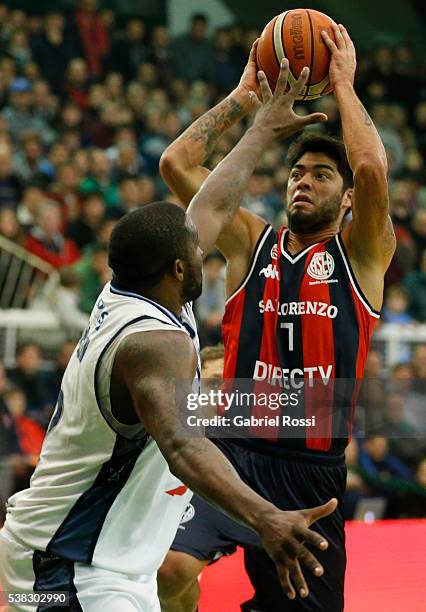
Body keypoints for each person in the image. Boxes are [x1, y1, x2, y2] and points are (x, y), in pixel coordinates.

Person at [158, 24, 395, 612]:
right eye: (297, 173)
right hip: (232, 449)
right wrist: (245, 97)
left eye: (321, 174)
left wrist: (343, 84)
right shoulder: (251, 242)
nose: (304, 181)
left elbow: (371, 172)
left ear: (345, 199)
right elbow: (177, 162)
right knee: (170, 568)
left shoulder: (362, 254)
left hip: (310, 468)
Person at [0, 202, 337, 611]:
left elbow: (209, 207)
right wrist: (266, 517)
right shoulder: (154, 344)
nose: (204, 251)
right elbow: (182, 446)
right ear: (178, 268)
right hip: (65, 565)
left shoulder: (142, 292)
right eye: (196, 249)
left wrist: (263, 134)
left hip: (108, 564)